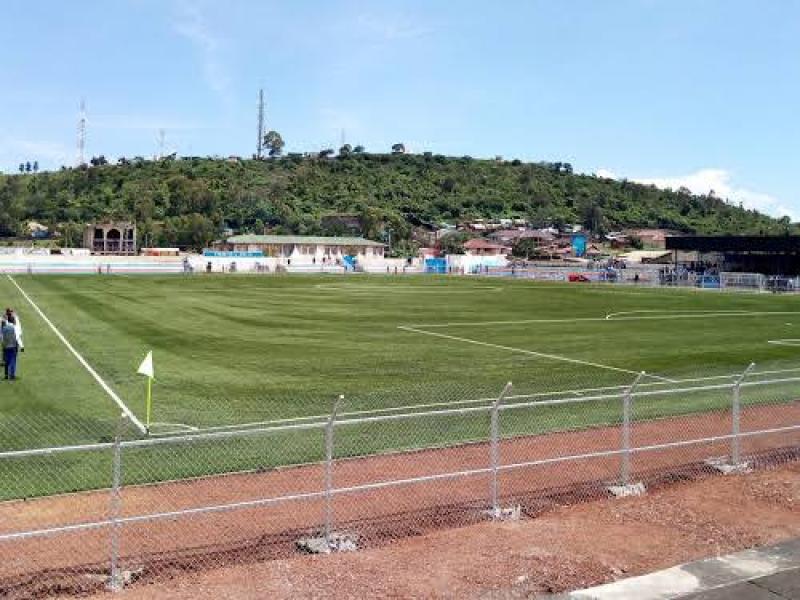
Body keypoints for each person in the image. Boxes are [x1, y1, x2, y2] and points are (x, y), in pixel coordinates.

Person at [1, 314, 24, 380]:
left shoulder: (4, 327)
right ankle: (12, 375)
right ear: (13, 321)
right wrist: (21, 346)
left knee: (6, 360)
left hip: (5, 346)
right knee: (13, 361)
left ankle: (6, 375)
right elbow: (17, 338)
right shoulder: (14, 328)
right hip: (13, 346)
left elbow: (2, 337)